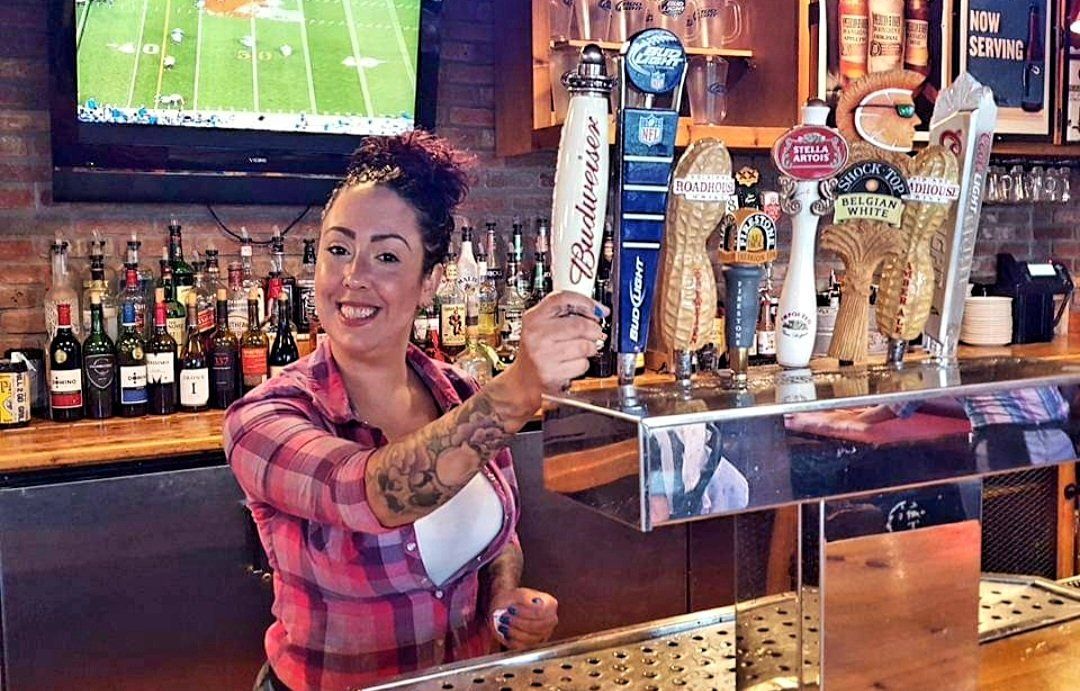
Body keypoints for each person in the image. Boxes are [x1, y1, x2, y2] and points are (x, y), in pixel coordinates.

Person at [225, 131, 608, 691]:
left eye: (385, 256)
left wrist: (505, 599)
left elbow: (501, 534)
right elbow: (371, 494)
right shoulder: (265, 419)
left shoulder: (461, 393)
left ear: (430, 282)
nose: (353, 276)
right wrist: (520, 388)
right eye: (338, 250)